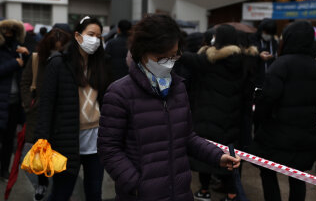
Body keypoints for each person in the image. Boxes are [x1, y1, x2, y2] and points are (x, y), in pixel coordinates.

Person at [97, 14, 240, 201]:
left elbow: (187, 136)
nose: (169, 63)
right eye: (161, 57)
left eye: (173, 56)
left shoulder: (178, 87)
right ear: (142, 52)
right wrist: (135, 183)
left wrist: (217, 156)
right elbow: (109, 148)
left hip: (180, 193)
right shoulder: (120, 93)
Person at [35, 16, 111, 201]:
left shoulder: (101, 64)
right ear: (78, 36)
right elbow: (46, 105)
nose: (95, 40)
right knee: (62, 193)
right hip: (66, 139)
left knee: (94, 192)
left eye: (99, 37)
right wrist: (42, 140)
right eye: (91, 34)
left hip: (96, 140)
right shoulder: (59, 64)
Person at [178, 25, 250, 201]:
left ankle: (204, 190)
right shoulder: (244, 62)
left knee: (206, 154)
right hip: (232, 118)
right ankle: (231, 193)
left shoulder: (207, 60)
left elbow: (185, 58)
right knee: (230, 157)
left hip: (207, 117)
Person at [250, 21, 316, 201]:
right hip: (305, 132)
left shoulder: (281, 64)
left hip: (276, 133)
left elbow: (267, 99)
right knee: (298, 177)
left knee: (268, 172)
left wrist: (259, 119)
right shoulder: (315, 66)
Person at [20, 28, 71, 200]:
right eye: (54, 49)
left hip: (62, 113)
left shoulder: (69, 61)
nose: (57, 53)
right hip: (38, 113)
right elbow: (25, 81)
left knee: (60, 150)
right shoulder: (36, 59)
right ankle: (42, 184)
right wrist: (29, 104)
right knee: (41, 149)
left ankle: (57, 186)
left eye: (61, 49)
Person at [0, 19, 27, 181]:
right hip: (1, 101)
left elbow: (26, 72)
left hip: (15, 103)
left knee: (10, 140)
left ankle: (4, 170)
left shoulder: (17, 49)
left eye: (13, 32)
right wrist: (14, 63)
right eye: (6, 32)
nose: (9, 35)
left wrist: (26, 56)